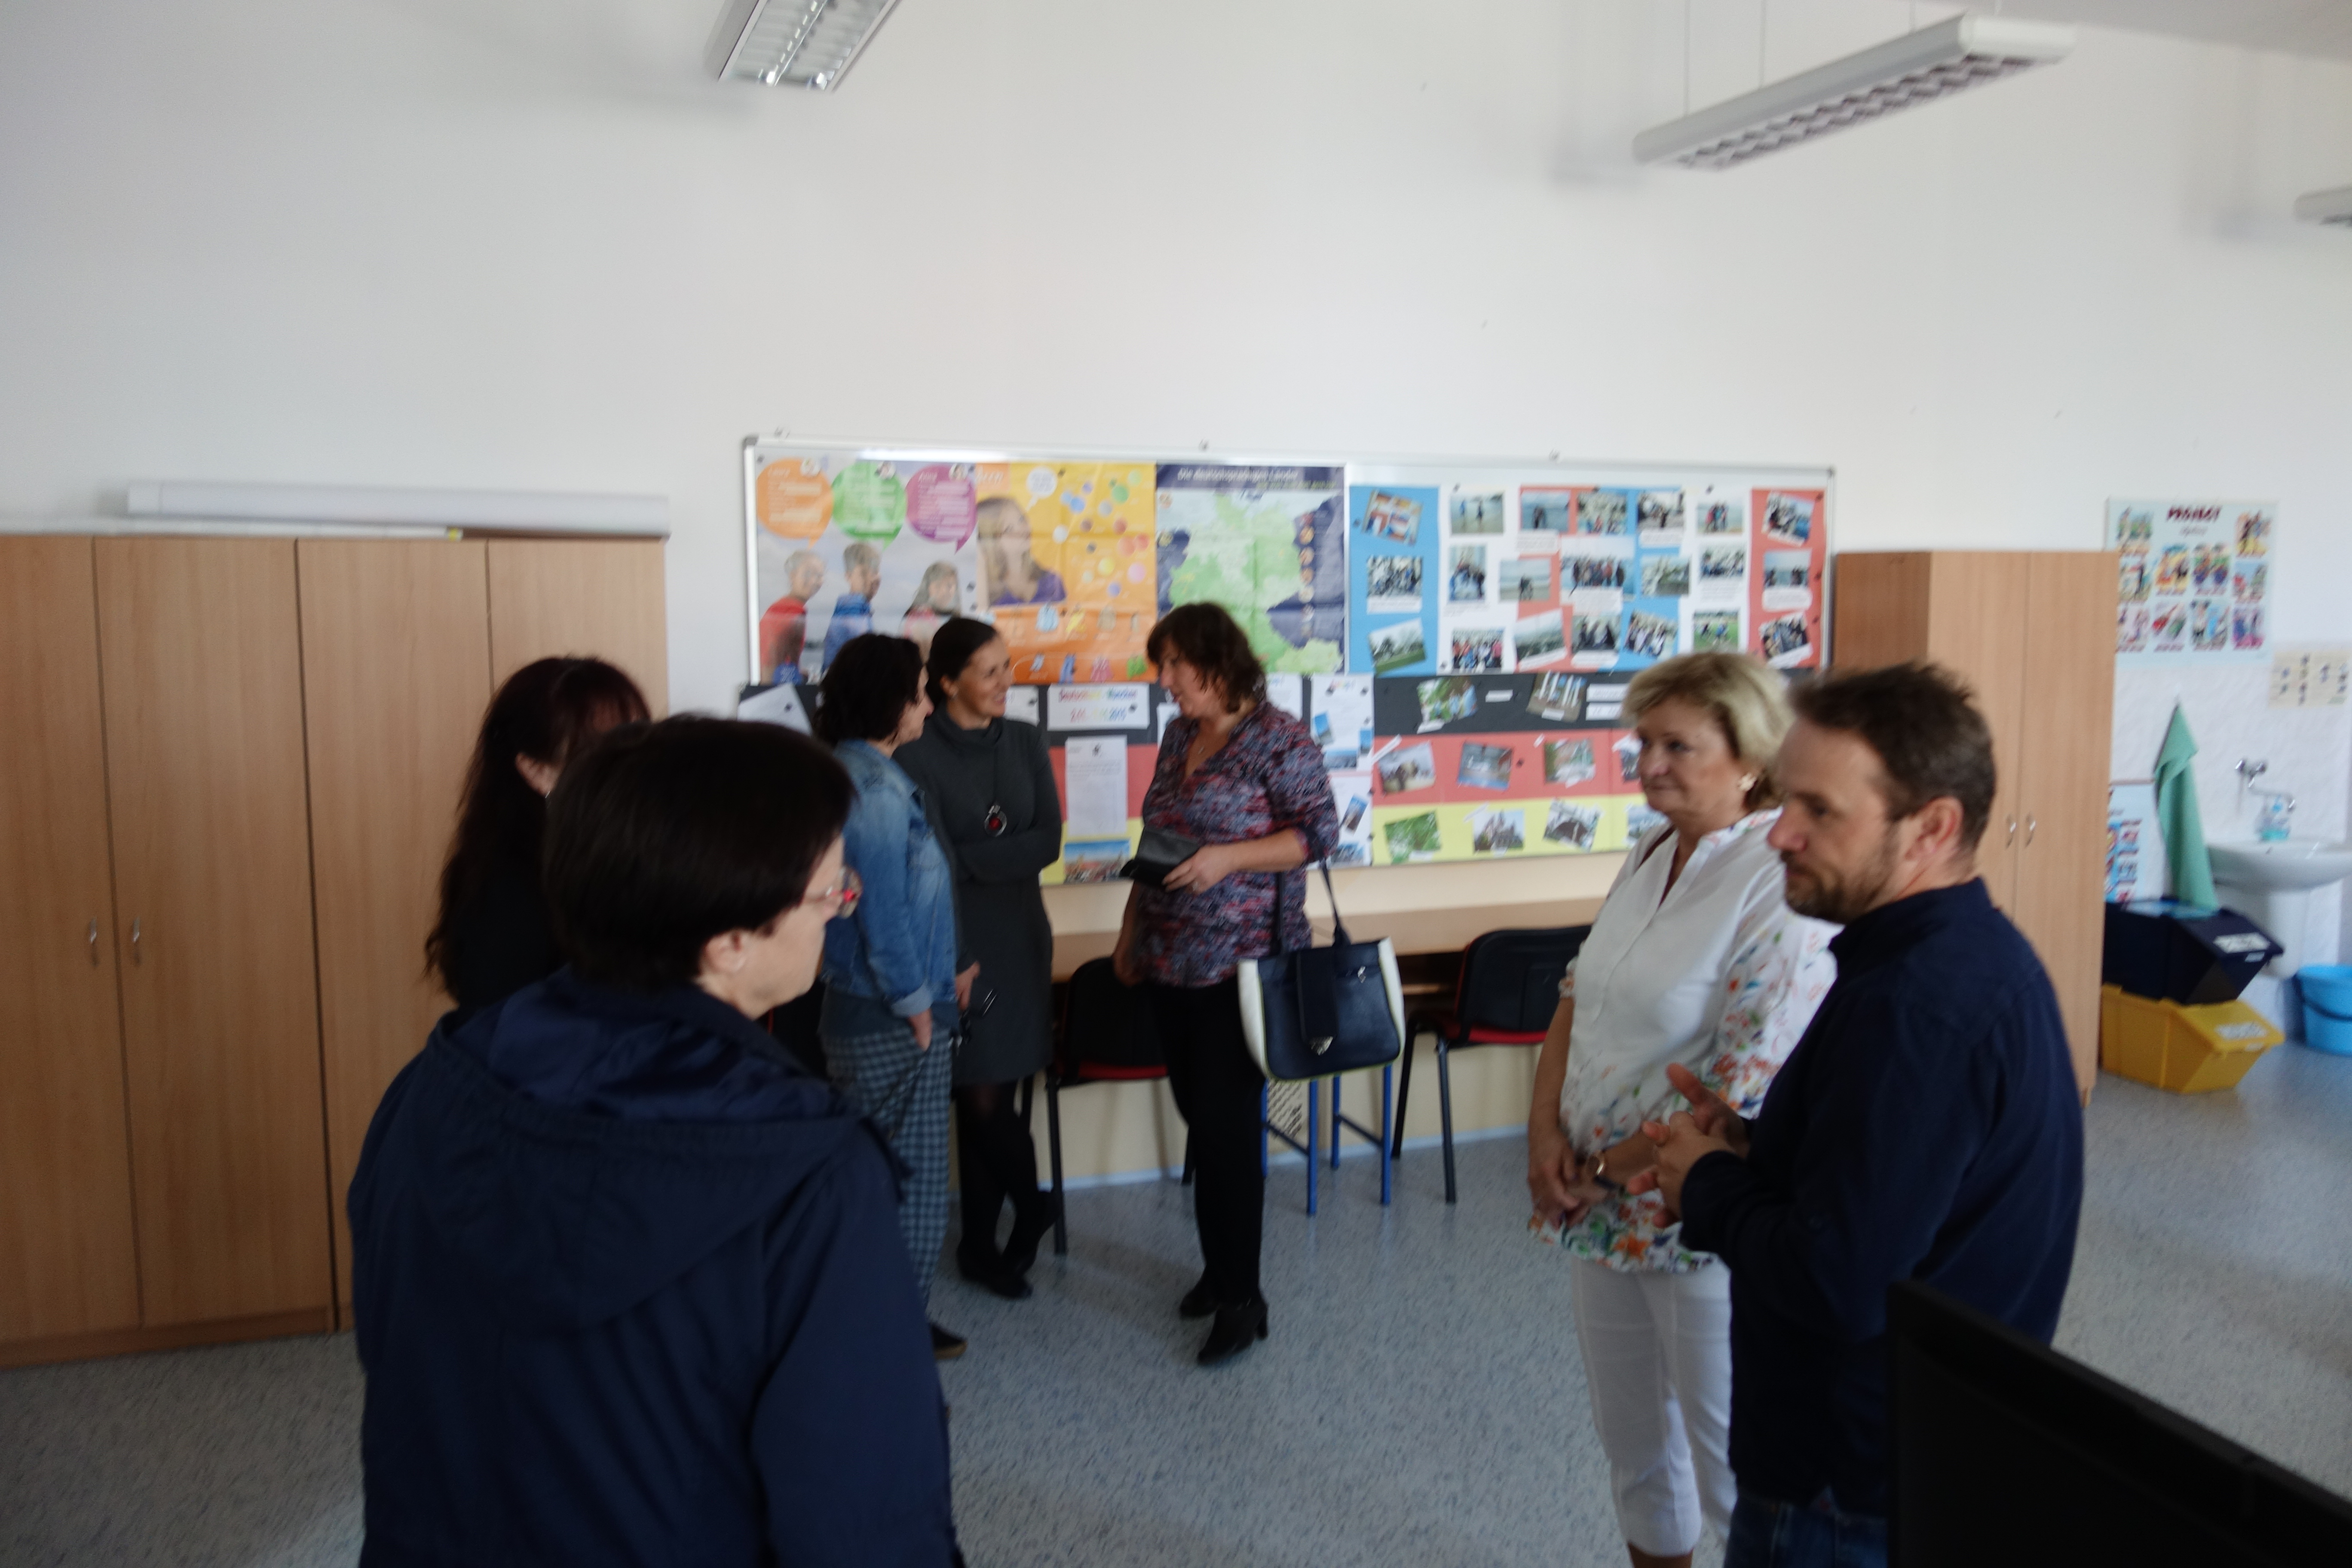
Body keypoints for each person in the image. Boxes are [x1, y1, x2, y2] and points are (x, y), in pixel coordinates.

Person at [350, 717, 962, 1568]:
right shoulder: (810, 1174)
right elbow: (867, 1514)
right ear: (730, 943)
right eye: (831, 895)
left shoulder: (437, 1083)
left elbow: (391, 1343)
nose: (837, 911)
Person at [1632, 662, 2086, 1568]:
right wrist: (1761, 1149)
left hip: (1844, 1489)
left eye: (1819, 810)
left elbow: (1838, 1281)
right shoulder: (1958, 957)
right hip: (1908, 1453)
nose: (1780, 833)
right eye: (1785, 798)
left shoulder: (1915, 1009)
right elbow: (1895, 1189)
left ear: (1933, 829)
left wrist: (1708, 1181)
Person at [1524, 652, 1835, 1568]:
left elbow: (1746, 1076)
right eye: (1643, 743)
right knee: (1636, 1451)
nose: (1650, 764)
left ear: (1750, 759)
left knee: (1737, 1468)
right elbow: (1578, 993)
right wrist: (1544, 1135)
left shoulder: (1776, 877)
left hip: (1701, 1218)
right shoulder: (1654, 849)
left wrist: (1599, 1171)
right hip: (1597, 1213)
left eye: (1677, 746)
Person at [1112, 602, 1338, 1367]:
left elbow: (1319, 834)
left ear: (1218, 663)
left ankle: (1243, 1299)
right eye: (1163, 666)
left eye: (1176, 664)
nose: (1166, 680)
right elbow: (1157, 841)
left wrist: (1228, 858)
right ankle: (1218, 1271)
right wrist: (1130, 931)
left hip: (1243, 965)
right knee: (1202, 1121)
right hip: (1168, 957)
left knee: (1226, 1130)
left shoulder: (1280, 739)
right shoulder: (1181, 736)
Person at [816, 633, 977, 1360]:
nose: (927, 706)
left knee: (878, 1175)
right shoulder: (876, 792)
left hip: (869, 1009)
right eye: (918, 693)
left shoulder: (850, 772)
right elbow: (882, 918)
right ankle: (891, 1337)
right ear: (890, 702)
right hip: (888, 1016)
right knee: (906, 1186)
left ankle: (883, 1323)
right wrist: (918, 1010)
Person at [895, 618, 1059, 1302]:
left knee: (990, 1091)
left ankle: (980, 1246)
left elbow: (1047, 841)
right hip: (955, 943)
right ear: (946, 681)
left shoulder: (1024, 739)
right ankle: (1035, 1205)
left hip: (1019, 939)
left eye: (1006, 667)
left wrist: (964, 859)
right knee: (979, 1092)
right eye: (989, 671)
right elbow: (926, 865)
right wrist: (972, 865)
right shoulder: (914, 752)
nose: (1005, 682)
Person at [423, 656, 650, 1018]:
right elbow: (508, 1034)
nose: (630, 766)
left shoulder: (638, 853)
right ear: (536, 770)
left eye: (637, 742)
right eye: (599, 752)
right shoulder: (508, 890)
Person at [975, 496, 1066, 607]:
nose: (1022, 530)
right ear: (990, 541)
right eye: (1009, 529)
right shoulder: (986, 591)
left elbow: (1066, 617)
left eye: (1022, 520)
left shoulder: (1052, 582)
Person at [758, 548, 825, 683]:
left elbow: (782, 664)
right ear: (793, 576)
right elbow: (770, 665)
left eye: (819, 576)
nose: (814, 581)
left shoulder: (779, 607)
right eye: (808, 574)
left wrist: (801, 675)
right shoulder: (794, 612)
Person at [821, 542, 882, 672]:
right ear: (848, 576)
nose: (872, 579)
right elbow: (866, 656)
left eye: (875, 571)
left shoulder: (860, 608)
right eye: (864, 573)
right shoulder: (852, 609)